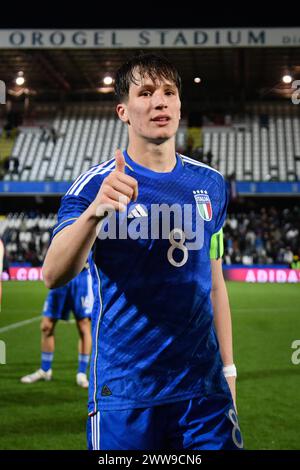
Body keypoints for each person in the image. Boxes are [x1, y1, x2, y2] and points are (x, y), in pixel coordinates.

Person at [43, 53, 243, 450]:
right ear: (123, 110)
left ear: (180, 104)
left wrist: (229, 373)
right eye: (146, 92)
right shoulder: (92, 186)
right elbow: (53, 273)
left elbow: (215, 285)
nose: (160, 102)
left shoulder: (212, 184)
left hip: (205, 395)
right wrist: (95, 214)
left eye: (169, 92)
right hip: (126, 397)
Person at [21, 261, 93, 388]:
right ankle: (45, 370)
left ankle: (81, 373)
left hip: (81, 276)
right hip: (60, 273)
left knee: (83, 325)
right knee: (46, 326)